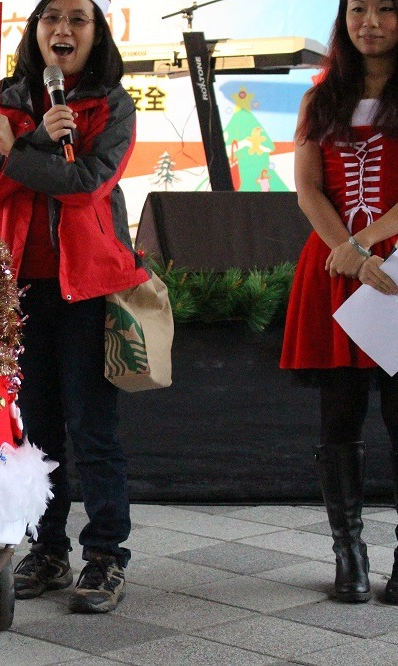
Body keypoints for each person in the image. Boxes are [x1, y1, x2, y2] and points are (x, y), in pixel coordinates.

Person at [0, 0, 146, 613]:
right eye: (51, 18)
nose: (63, 30)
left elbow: (90, 181)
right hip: (18, 290)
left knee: (92, 429)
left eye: (78, 19)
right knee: (35, 428)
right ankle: (46, 549)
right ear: (35, 31)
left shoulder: (111, 105)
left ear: (96, 34)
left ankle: (105, 556)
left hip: (88, 289)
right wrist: (28, 141)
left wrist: (20, 150)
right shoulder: (4, 99)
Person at [281, 0, 398, 604]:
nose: (370, 21)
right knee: (339, 418)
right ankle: (348, 554)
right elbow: (307, 187)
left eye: (386, 8)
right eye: (358, 8)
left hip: (391, 267)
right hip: (333, 265)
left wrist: (366, 244)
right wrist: (348, 250)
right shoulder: (320, 97)